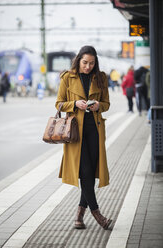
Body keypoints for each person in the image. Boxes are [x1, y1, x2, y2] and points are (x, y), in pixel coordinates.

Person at [55, 46, 112, 230]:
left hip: (95, 130)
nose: (88, 66)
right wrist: (74, 104)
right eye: (85, 62)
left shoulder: (101, 78)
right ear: (78, 60)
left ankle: (79, 214)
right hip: (75, 133)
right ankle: (97, 214)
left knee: (90, 174)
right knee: (85, 171)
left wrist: (98, 106)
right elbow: (59, 104)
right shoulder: (67, 77)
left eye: (92, 63)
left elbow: (107, 104)